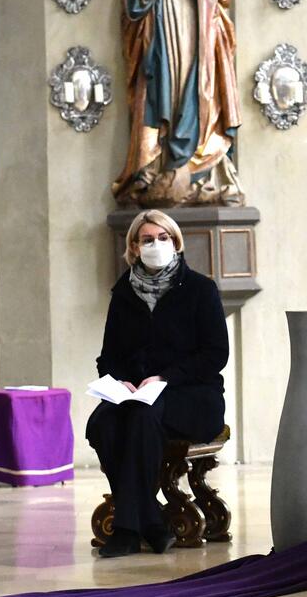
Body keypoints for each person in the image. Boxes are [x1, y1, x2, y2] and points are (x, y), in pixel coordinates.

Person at [87, 210, 229, 557]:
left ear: (176, 242)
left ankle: (126, 530)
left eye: (163, 238)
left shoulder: (200, 289)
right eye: (147, 239)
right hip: (139, 394)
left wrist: (166, 377)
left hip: (193, 394)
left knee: (142, 418)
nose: (156, 244)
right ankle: (151, 520)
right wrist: (121, 381)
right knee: (102, 422)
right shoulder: (123, 293)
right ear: (134, 247)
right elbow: (108, 357)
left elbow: (215, 354)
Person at [115, 0, 242, 206]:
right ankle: (157, 166)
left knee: (191, 86)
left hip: (188, 26)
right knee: (158, 89)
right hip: (154, 30)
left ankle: (194, 166)